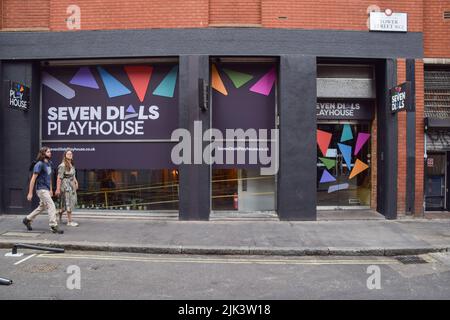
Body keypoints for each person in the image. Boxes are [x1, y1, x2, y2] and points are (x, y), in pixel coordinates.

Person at [23, 147, 64, 234]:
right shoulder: (39, 164)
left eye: (50, 152)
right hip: (41, 189)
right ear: (43, 153)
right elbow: (33, 179)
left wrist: (50, 189)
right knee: (51, 205)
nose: (50, 153)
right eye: (48, 152)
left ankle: (27, 219)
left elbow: (49, 178)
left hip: (46, 189)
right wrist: (30, 193)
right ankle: (53, 226)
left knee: (42, 207)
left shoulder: (49, 163)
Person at [55, 149, 79, 227]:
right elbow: (59, 178)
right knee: (68, 202)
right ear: (65, 155)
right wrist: (58, 189)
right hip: (66, 185)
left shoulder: (71, 164)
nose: (70, 155)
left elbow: (73, 175)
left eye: (71, 154)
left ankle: (58, 213)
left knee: (69, 202)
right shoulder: (62, 166)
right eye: (68, 154)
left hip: (71, 185)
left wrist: (76, 182)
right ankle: (69, 221)